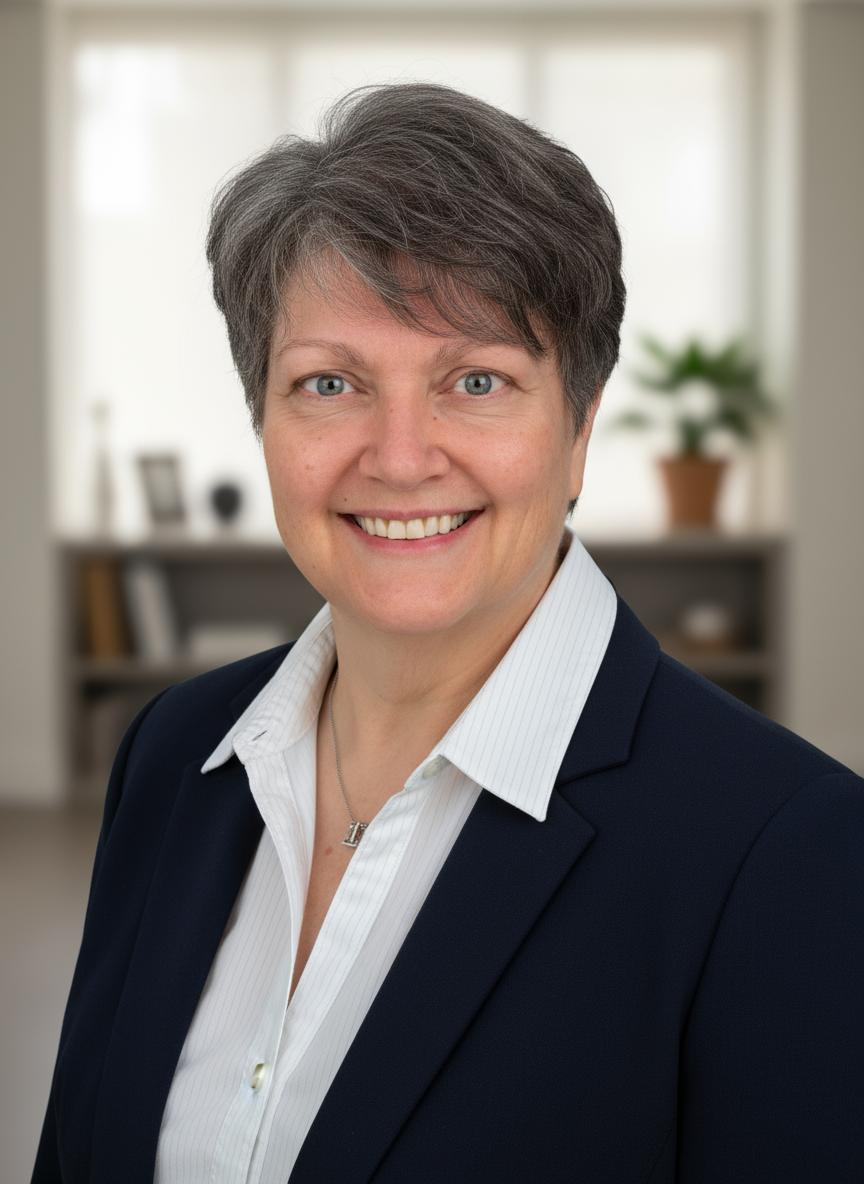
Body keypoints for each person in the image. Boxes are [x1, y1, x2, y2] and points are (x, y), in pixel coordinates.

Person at [33, 82, 864, 1184]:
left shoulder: (788, 851)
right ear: (264, 419)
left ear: (579, 423)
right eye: (328, 383)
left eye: (477, 379)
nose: (401, 455)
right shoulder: (176, 754)